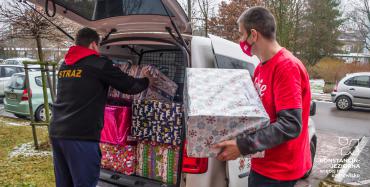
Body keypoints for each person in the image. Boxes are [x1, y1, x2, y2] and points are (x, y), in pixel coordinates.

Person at [213, 7, 312, 187]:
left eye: (241, 34)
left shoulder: (286, 66)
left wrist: (242, 146)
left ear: (254, 35)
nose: (240, 40)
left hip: (279, 171)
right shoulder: (260, 68)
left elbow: (290, 125)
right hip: (262, 164)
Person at [49, 27, 151, 187]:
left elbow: (81, 89)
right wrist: (147, 80)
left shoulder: (65, 65)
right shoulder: (99, 64)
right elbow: (130, 86)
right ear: (94, 44)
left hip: (57, 132)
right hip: (81, 136)